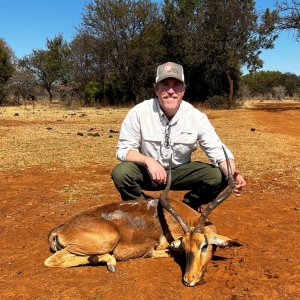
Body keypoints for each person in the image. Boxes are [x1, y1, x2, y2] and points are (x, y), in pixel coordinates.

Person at [111, 62, 246, 210]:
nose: (170, 90)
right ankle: (146, 209)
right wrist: (148, 161)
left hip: (180, 172)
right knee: (121, 173)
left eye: (176, 85)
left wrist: (232, 175)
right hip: (149, 173)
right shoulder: (139, 112)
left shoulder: (196, 116)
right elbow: (124, 150)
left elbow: (218, 151)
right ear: (156, 89)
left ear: (183, 90)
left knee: (218, 176)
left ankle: (189, 207)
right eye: (164, 84)